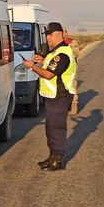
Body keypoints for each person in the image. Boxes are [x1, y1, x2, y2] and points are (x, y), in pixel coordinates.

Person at [22, 22, 77, 171]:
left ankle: (57, 160)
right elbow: (49, 65)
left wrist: (32, 67)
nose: (47, 39)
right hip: (53, 96)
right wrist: (42, 61)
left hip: (60, 96)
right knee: (51, 128)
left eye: (49, 35)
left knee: (57, 128)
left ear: (56, 34)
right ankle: (52, 156)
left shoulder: (62, 55)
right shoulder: (55, 52)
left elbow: (48, 74)